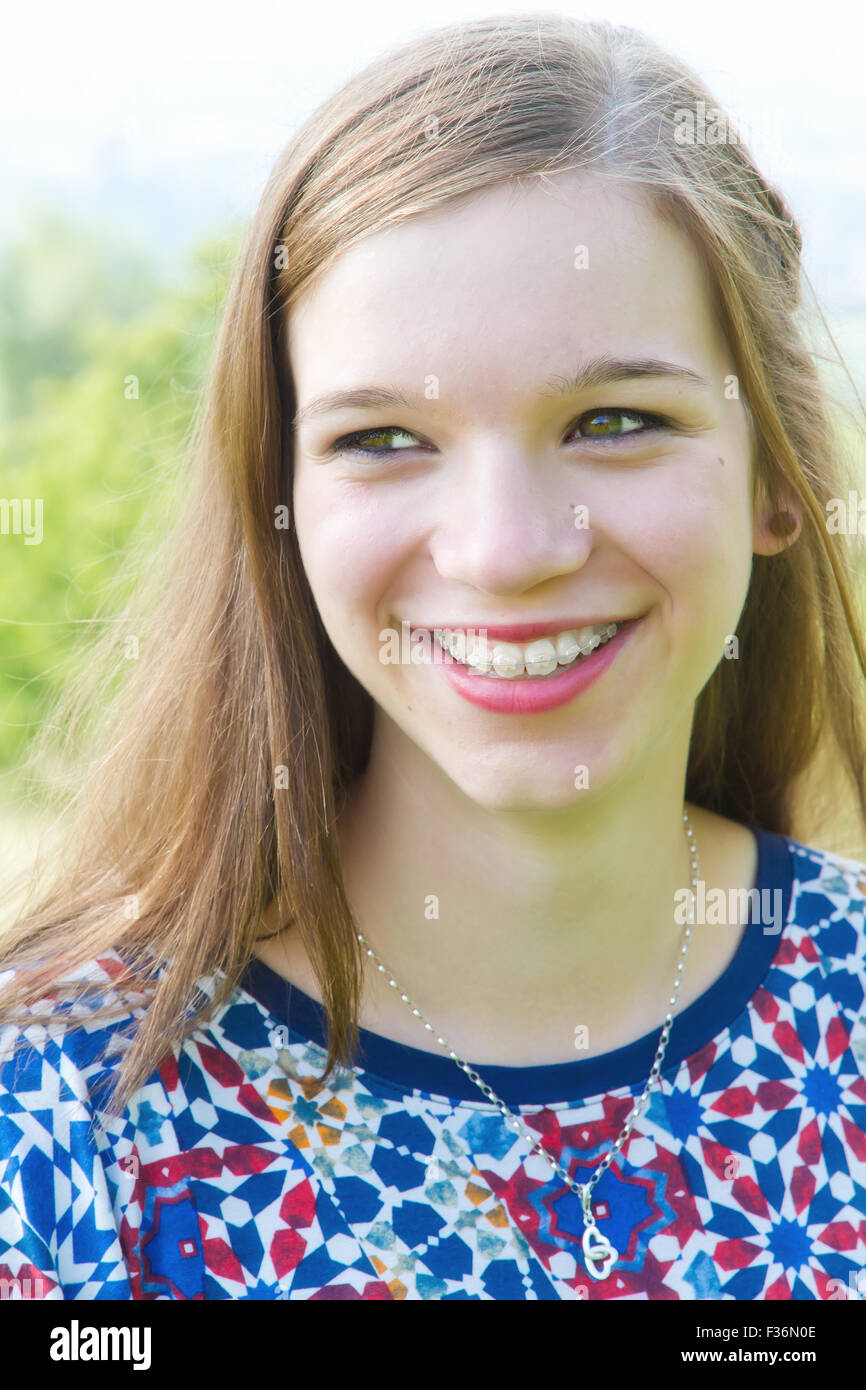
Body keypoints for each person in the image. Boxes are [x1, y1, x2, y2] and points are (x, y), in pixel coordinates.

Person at [1, 13, 865, 1302]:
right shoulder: (58, 1112)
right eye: (386, 439)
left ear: (774, 478)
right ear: (278, 499)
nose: (507, 550)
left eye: (616, 420)